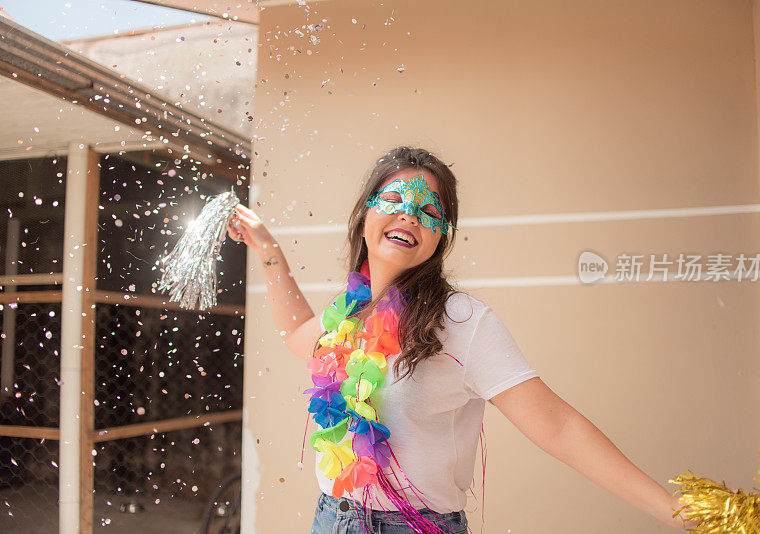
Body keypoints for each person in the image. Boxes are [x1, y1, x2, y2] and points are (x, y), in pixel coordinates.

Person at [227, 146, 697, 533]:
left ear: (442, 237)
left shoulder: (462, 320)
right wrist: (268, 250)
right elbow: (296, 333)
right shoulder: (351, 313)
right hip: (332, 520)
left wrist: (681, 513)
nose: (409, 215)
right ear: (365, 212)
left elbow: (559, 427)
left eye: (429, 211)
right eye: (393, 199)